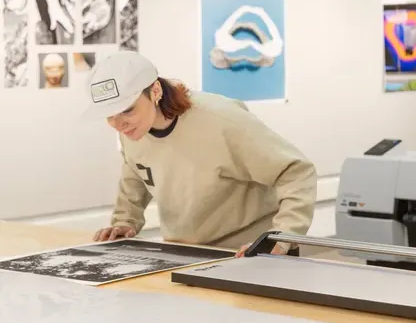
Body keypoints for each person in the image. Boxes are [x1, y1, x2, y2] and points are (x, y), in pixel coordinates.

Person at [81, 50, 317, 255]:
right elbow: (137, 174)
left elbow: (296, 171)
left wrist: (282, 236)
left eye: (127, 110)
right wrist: (125, 221)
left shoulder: (220, 121)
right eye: (109, 115)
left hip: (250, 253)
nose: (117, 123)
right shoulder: (133, 130)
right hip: (186, 253)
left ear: (154, 91)